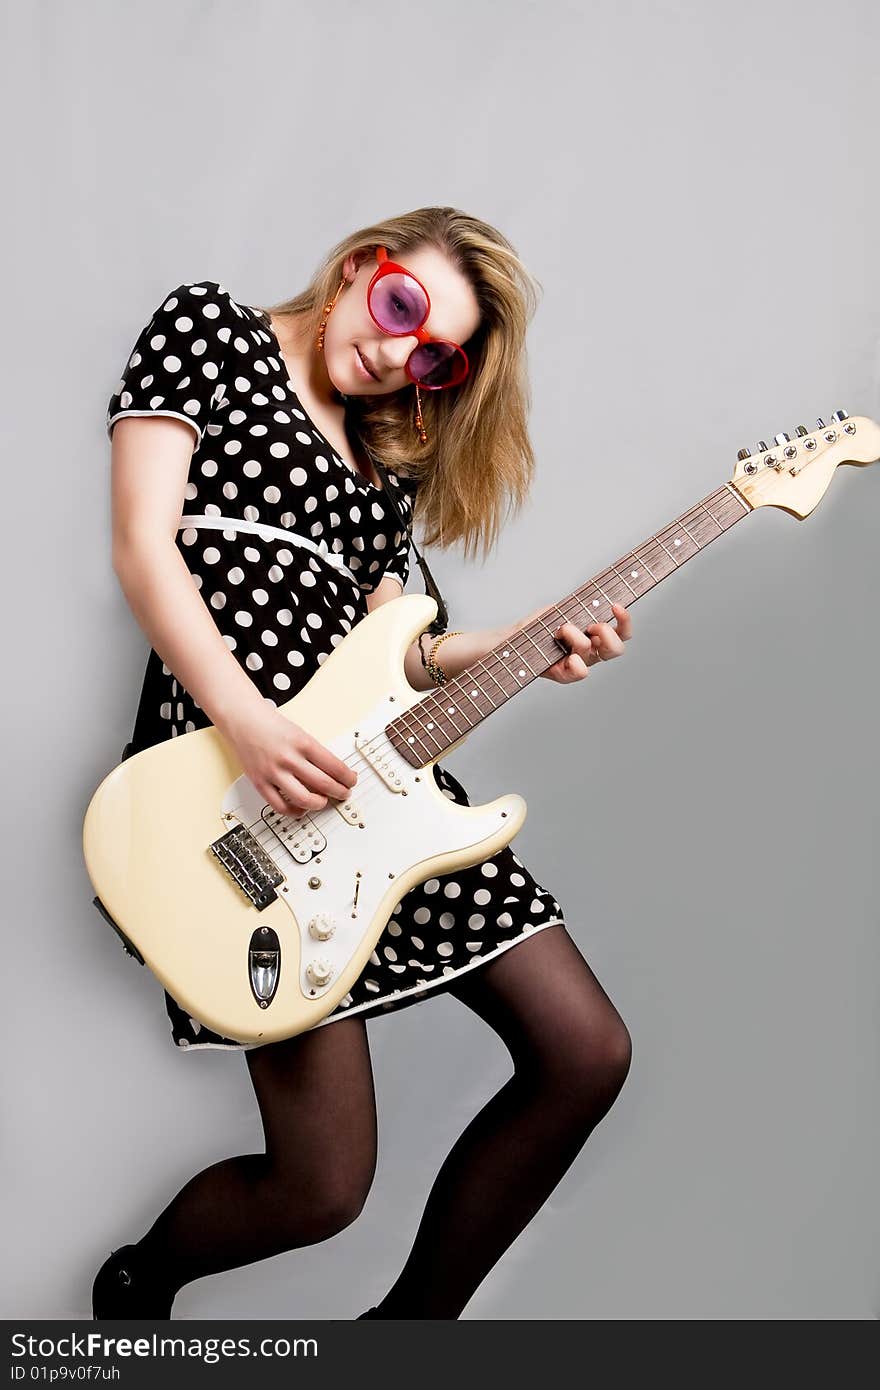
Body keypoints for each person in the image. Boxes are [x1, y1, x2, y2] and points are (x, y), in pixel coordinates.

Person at [91, 206, 634, 1320]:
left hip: (374, 788)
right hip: (232, 786)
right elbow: (144, 546)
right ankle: (138, 1287)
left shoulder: (387, 459)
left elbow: (405, 653)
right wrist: (245, 719)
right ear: (357, 267)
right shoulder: (210, 331)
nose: (397, 355)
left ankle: (408, 1334)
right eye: (398, 311)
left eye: (432, 353)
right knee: (322, 1187)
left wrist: (528, 639)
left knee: (584, 1050)